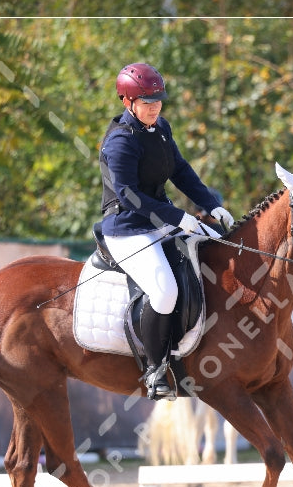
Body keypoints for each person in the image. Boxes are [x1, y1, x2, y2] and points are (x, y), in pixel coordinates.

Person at [99, 63, 235, 400]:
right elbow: (128, 195)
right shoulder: (120, 142)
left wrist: (209, 203)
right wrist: (177, 216)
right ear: (126, 102)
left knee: (218, 250)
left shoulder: (160, 128)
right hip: (127, 229)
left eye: (158, 100)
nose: (155, 107)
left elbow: (181, 171)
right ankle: (155, 369)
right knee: (164, 292)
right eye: (147, 102)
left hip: (158, 222)